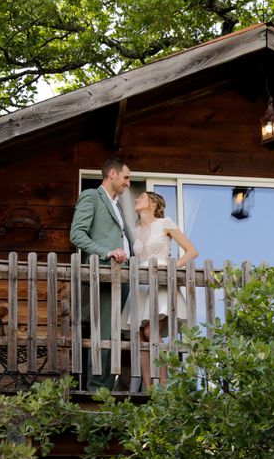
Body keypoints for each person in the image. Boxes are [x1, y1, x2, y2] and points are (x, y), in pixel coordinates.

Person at [121, 191, 198, 391]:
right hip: (141, 283)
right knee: (139, 334)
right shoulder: (134, 230)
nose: (137, 199)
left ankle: (163, 385)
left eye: (142, 197)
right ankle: (148, 388)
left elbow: (192, 251)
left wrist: (172, 266)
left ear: (154, 204)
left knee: (150, 330)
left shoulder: (165, 224)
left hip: (161, 280)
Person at [69, 157, 132, 391]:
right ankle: (96, 388)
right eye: (126, 177)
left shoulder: (118, 205)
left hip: (125, 275)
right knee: (104, 331)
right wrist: (107, 252)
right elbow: (77, 234)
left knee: (116, 332)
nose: (128, 182)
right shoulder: (91, 197)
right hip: (105, 273)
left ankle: (108, 386)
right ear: (112, 174)